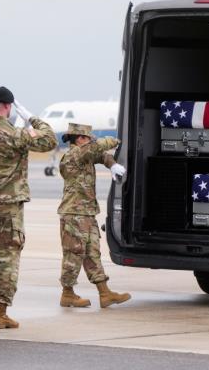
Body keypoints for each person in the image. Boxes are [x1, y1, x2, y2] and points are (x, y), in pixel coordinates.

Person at [0, 86, 57, 329]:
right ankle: (0, 312)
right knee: (7, 256)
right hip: (7, 205)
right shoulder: (14, 133)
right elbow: (49, 139)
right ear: (8, 107)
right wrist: (31, 118)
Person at [57, 123, 131, 308]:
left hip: (86, 212)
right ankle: (67, 294)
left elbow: (101, 155)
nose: (91, 141)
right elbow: (98, 148)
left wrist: (112, 164)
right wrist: (119, 139)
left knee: (92, 253)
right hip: (75, 213)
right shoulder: (76, 153)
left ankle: (105, 293)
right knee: (73, 254)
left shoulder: (85, 155)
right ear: (81, 139)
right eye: (89, 138)